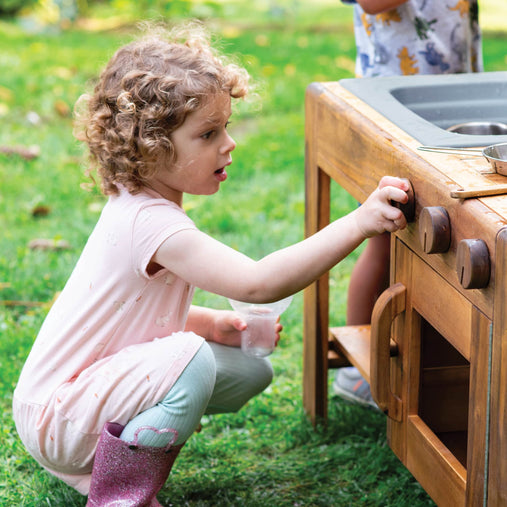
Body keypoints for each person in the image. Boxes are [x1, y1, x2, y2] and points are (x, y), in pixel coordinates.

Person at [12, 22, 409, 505]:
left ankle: (92, 464)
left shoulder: (142, 206)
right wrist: (360, 221)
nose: (229, 143)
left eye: (226, 127)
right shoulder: (150, 224)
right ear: (152, 146)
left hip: (69, 406)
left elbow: (120, 318)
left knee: (248, 370)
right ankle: (120, 493)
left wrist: (211, 324)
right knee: (191, 360)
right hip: (55, 415)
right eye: (208, 133)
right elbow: (257, 284)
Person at [334, 0, 483, 408]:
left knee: (452, 233)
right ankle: (355, 370)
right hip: (392, 104)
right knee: (386, 236)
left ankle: (438, 361)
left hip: (457, 97)